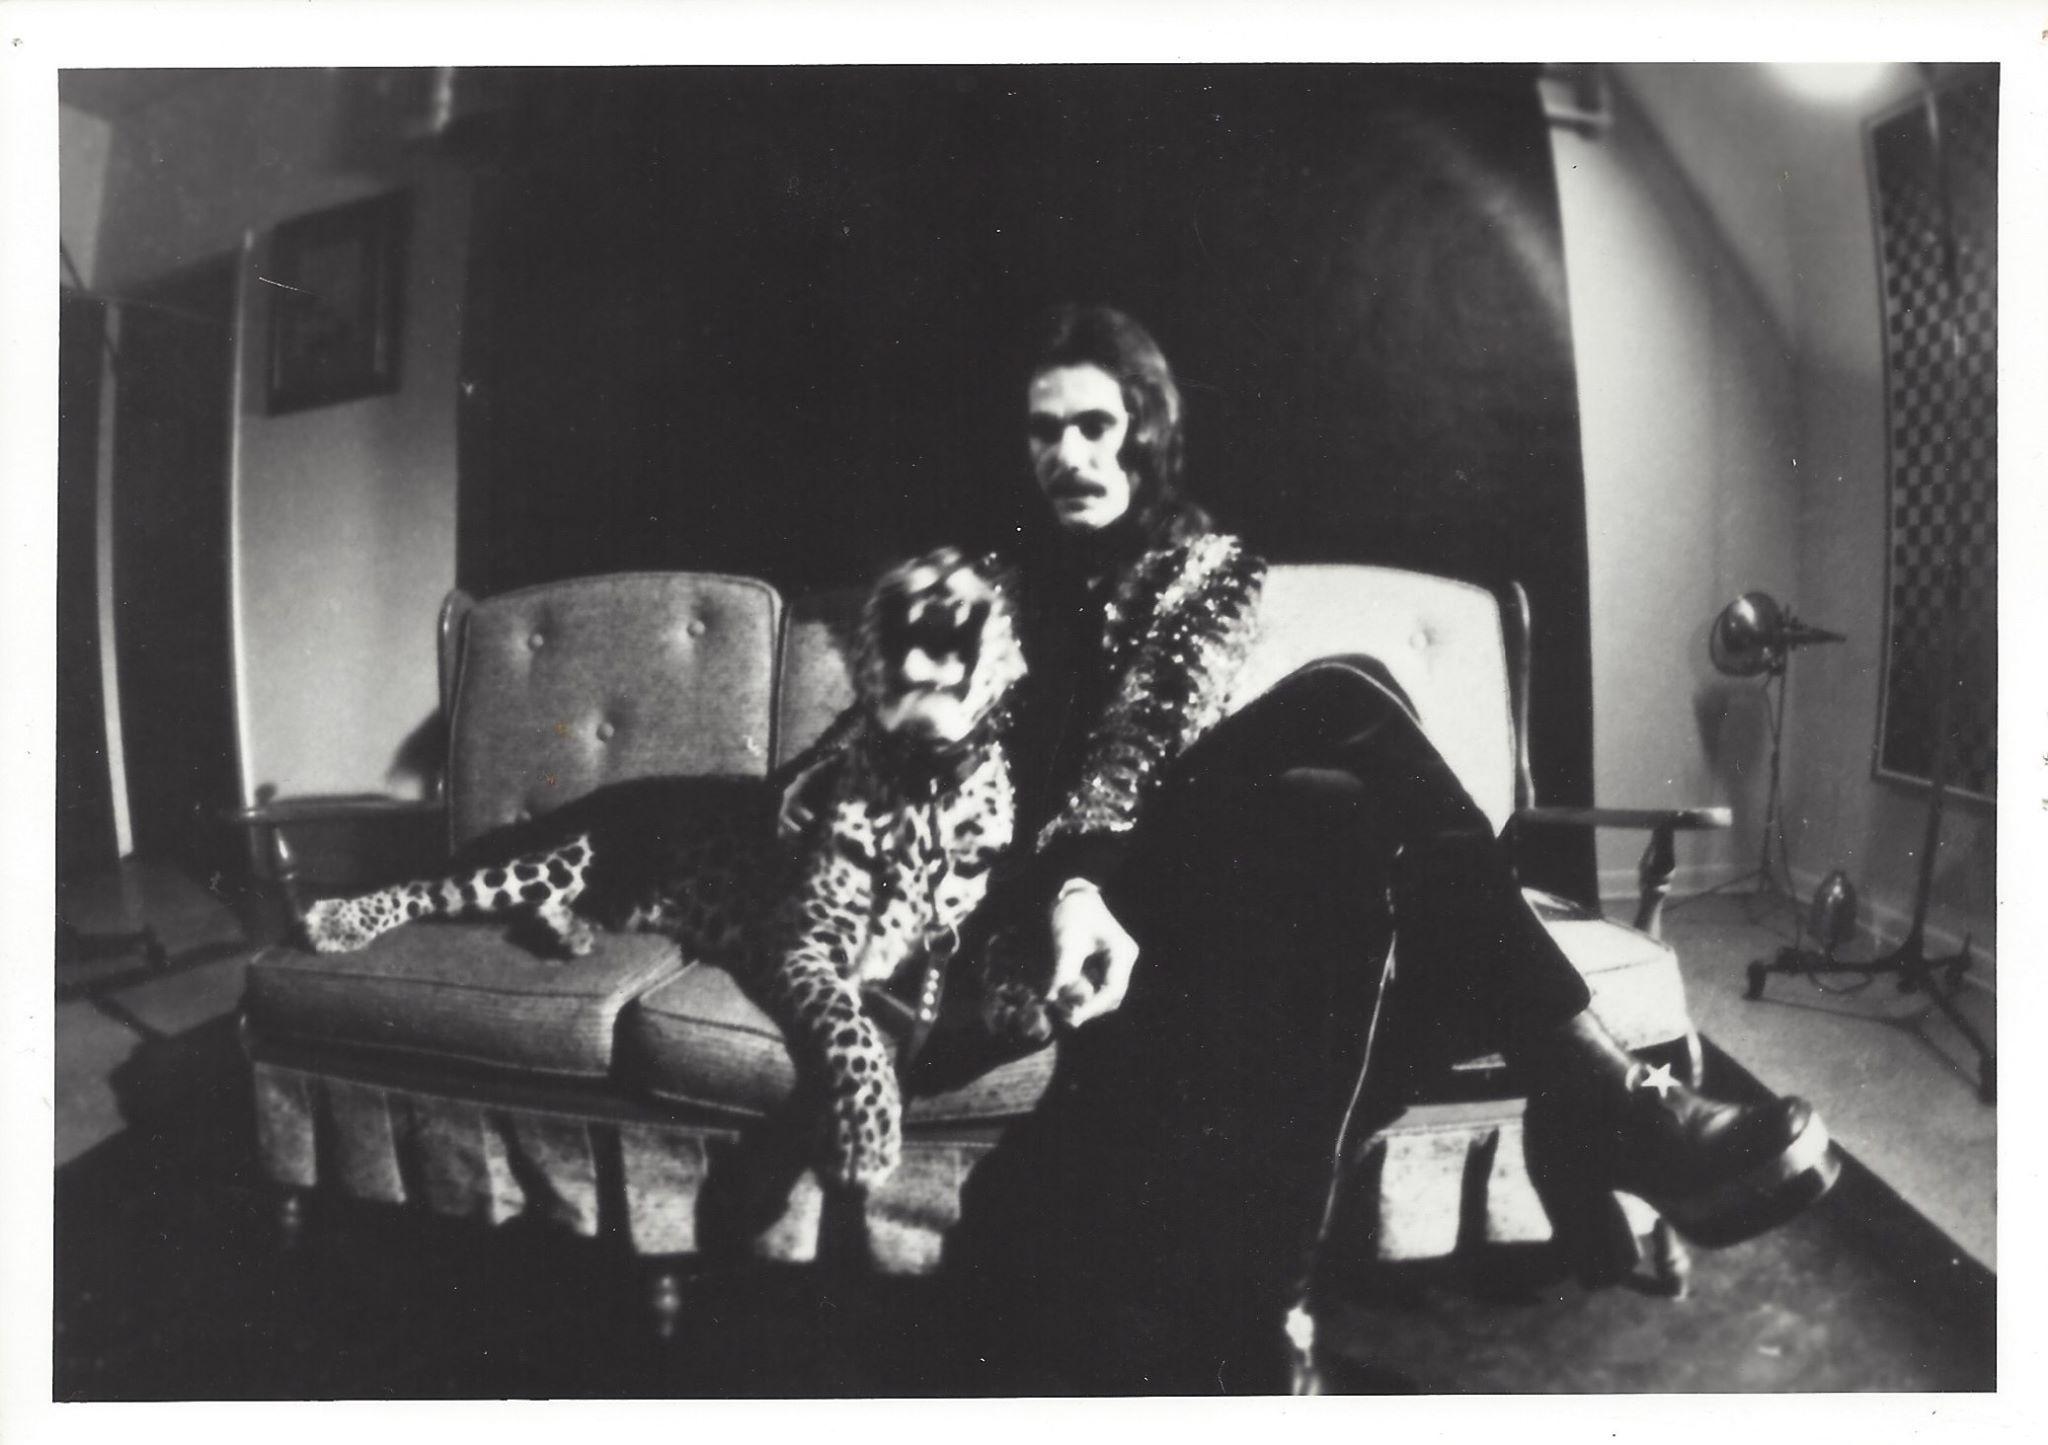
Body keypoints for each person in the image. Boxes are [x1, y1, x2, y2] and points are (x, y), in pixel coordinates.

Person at [805, 304, 1838, 1393]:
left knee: (1332, 794)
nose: (1070, 453)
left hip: (1129, 879)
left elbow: (1139, 748)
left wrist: (1085, 877)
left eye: (1098, 425)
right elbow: (871, 767)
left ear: (1146, 431)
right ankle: (1594, 1096)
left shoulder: (1197, 570)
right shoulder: (978, 589)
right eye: (1043, 429)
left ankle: (1279, 1294)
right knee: (1343, 717)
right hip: (1010, 910)